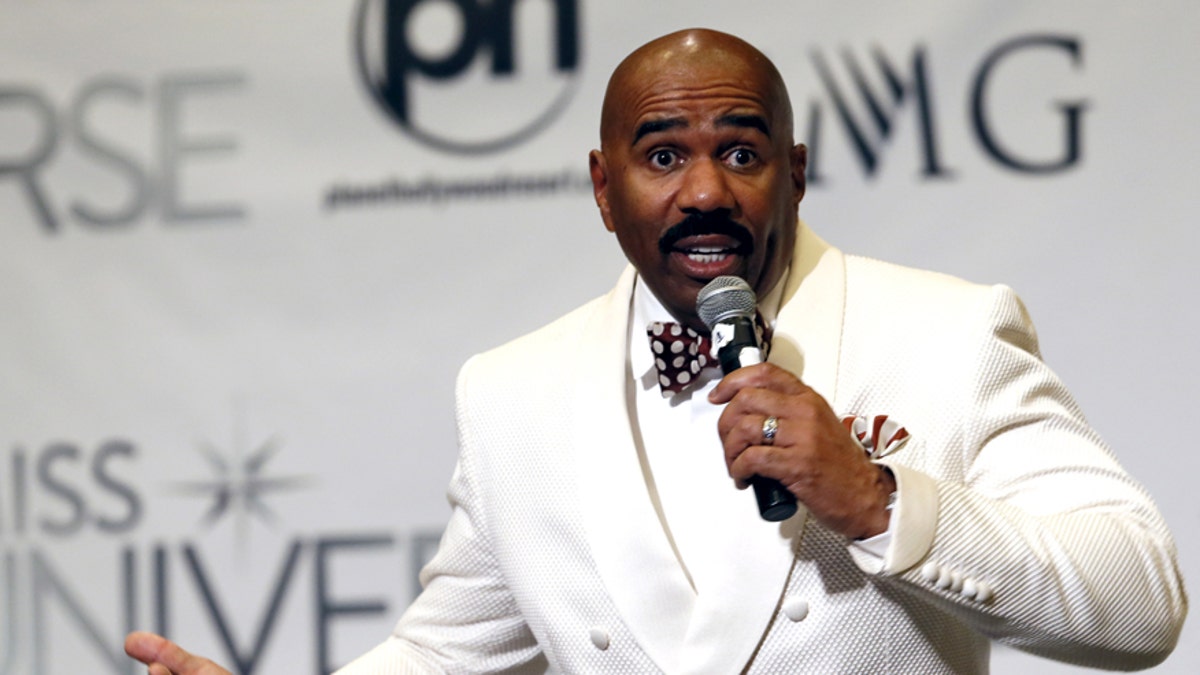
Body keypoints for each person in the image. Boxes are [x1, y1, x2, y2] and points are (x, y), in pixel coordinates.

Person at [126, 28, 1186, 674]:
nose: (705, 190)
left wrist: (874, 499)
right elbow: (445, 656)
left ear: (796, 173)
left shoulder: (948, 333)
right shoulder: (511, 396)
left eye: (740, 150)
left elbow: (1142, 601)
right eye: (663, 155)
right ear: (603, 188)